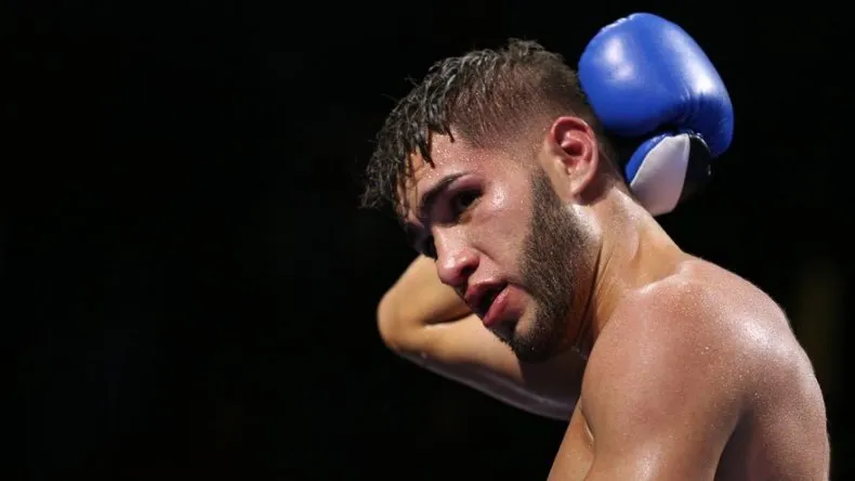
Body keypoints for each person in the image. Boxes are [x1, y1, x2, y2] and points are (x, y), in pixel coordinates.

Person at [361, 12, 830, 481]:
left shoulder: (672, 321)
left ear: (572, 154)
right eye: (428, 245)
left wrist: (596, 186)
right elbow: (405, 321)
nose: (446, 267)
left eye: (464, 199)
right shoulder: (621, 349)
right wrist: (607, 189)